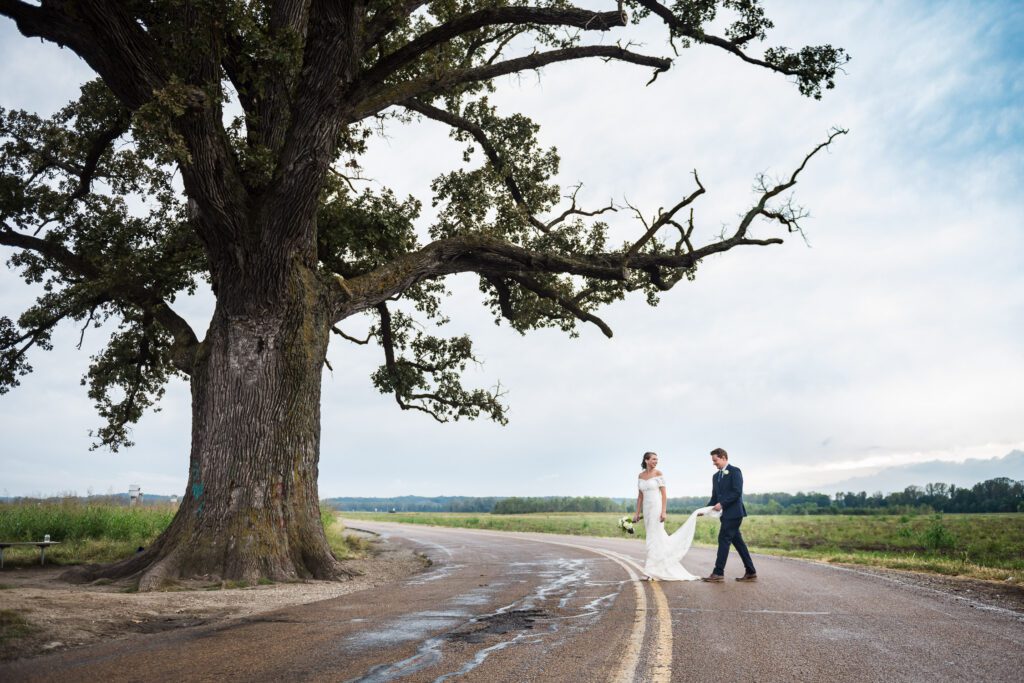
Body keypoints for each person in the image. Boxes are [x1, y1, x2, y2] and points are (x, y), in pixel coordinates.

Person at [633, 451, 717, 581]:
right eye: (653, 459)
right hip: (646, 510)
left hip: (656, 508)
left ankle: (651, 570)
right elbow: (640, 496)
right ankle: (654, 568)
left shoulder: (658, 474)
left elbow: (664, 495)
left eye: (657, 459)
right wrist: (637, 513)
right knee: (652, 537)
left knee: (653, 538)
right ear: (646, 460)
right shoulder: (640, 475)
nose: (656, 461)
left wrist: (663, 511)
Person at [701, 447, 757, 582]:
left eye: (715, 460)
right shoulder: (715, 476)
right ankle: (751, 571)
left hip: (734, 514)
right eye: (713, 461)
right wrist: (704, 510)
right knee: (738, 543)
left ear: (724, 458)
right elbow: (715, 497)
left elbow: (737, 492)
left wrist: (723, 504)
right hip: (725, 515)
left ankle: (718, 572)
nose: (714, 463)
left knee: (723, 539)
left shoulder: (735, 471)